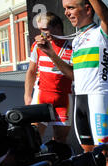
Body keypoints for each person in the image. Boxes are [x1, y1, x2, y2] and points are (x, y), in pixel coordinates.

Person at [35, 0, 108, 166]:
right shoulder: (77, 40)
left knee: (106, 151)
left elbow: (107, 17)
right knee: (91, 152)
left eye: (71, 7)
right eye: (65, 9)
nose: (67, 13)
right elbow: (72, 74)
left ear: (88, 8)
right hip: (80, 99)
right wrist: (50, 52)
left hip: (99, 97)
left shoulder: (102, 31)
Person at [24, 12, 74, 144]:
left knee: (60, 139)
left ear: (57, 27)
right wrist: (28, 96)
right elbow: (31, 71)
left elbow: (74, 76)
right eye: (40, 30)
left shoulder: (73, 47)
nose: (42, 34)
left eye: (44, 29)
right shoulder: (37, 45)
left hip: (63, 98)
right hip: (41, 95)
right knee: (34, 137)